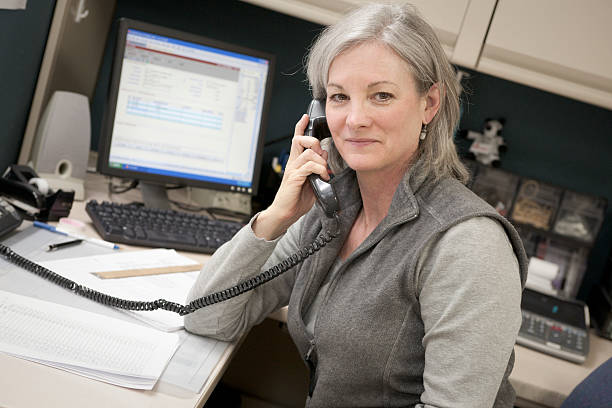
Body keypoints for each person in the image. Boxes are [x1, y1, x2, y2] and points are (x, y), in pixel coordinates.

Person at [185, 3, 527, 407]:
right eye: (339, 97)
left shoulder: (468, 244)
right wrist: (276, 216)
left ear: (429, 104)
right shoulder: (334, 206)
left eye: (381, 96)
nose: (355, 119)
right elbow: (207, 318)